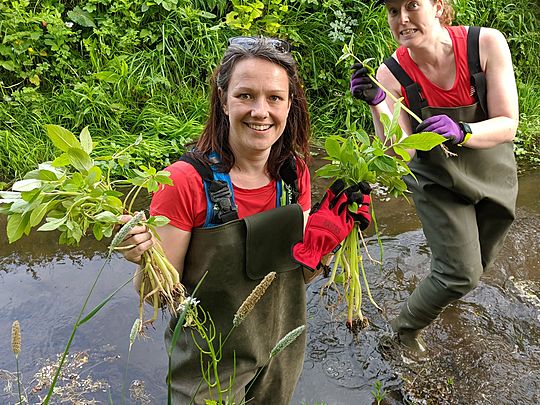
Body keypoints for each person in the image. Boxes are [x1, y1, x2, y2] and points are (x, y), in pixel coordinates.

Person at [119, 36, 372, 403]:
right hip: (208, 373)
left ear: (289, 106)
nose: (260, 111)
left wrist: (323, 245)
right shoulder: (184, 183)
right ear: (223, 102)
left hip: (281, 359)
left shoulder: (293, 174)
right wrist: (142, 259)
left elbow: (291, 278)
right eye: (245, 95)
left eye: (274, 97)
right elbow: (157, 297)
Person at [350, 0, 518, 352]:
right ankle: (401, 333)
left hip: (491, 170)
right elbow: (402, 152)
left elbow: (508, 123)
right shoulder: (392, 74)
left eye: (413, 5)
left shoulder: (485, 45)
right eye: (394, 10)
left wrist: (462, 130)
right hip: (436, 179)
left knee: (477, 266)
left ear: (439, 6)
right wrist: (379, 102)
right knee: (460, 273)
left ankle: (440, 288)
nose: (403, 18)